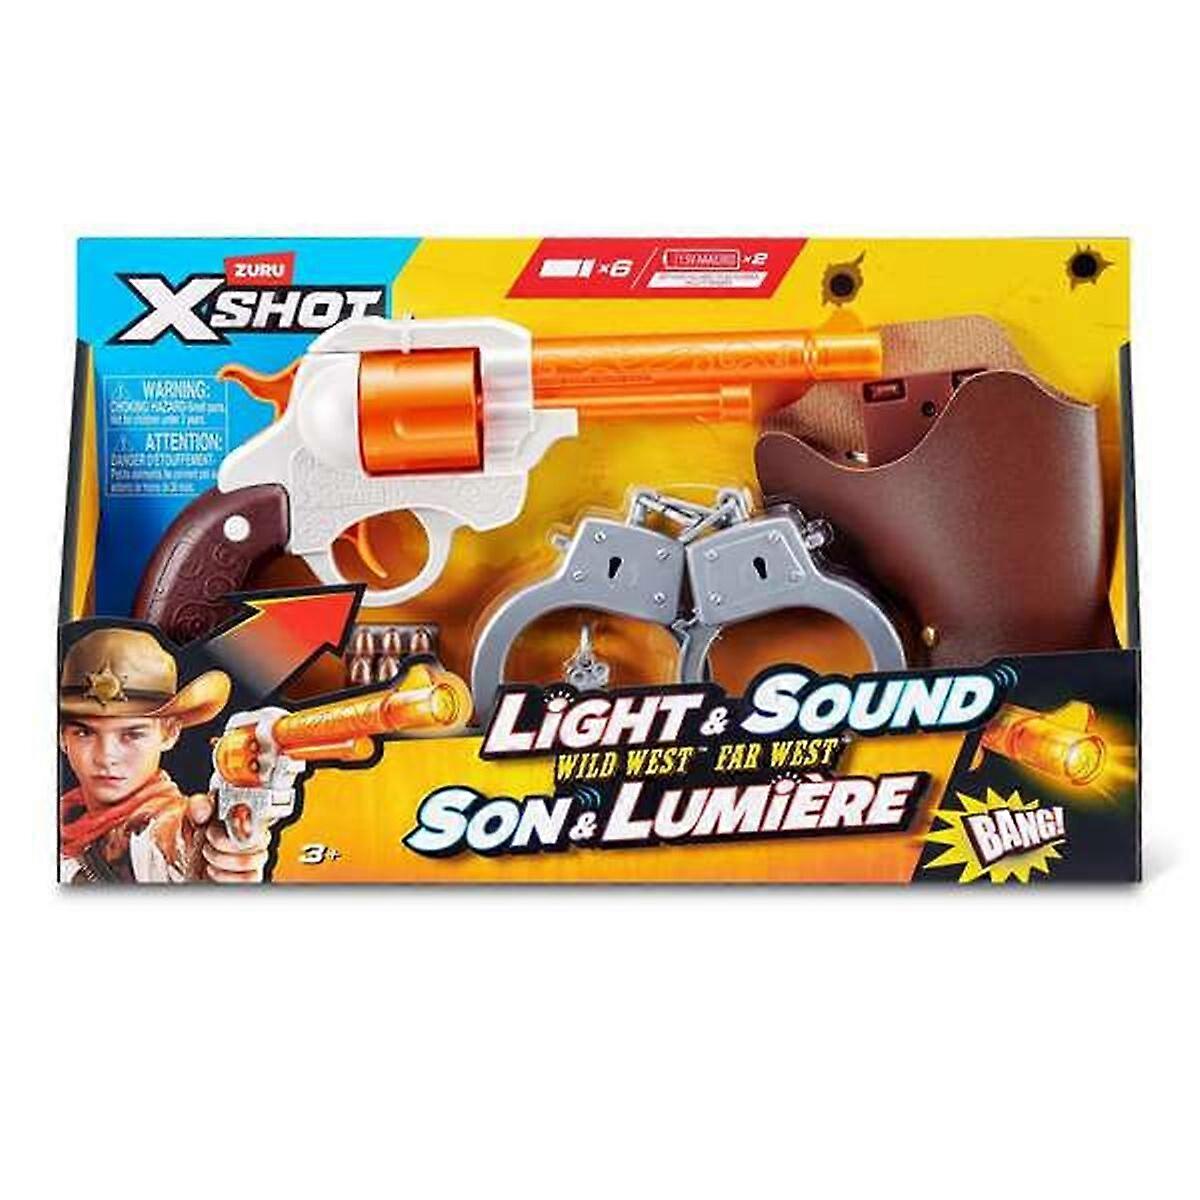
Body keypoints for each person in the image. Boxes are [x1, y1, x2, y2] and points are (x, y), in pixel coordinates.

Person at [58, 628, 272, 883]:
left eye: (132, 734)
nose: (106, 757)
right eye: (84, 733)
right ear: (62, 736)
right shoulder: (64, 817)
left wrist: (210, 851)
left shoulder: (160, 831)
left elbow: (175, 839)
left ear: (170, 732)